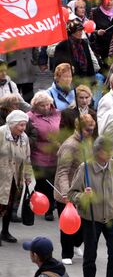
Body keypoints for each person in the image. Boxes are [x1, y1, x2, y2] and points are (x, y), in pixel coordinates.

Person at [68, 136, 113, 277]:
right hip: (91, 219)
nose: (111, 152)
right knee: (90, 256)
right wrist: (83, 197)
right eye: (107, 150)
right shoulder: (85, 168)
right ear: (98, 151)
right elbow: (71, 194)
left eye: (112, 149)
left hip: (112, 217)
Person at [54, 114, 95, 265]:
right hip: (67, 191)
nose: (91, 133)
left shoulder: (88, 142)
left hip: (83, 190)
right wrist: (66, 193)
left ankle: (76, 244)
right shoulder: (69, 145)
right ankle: (67, 253)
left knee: (84, 222)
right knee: (67, 223)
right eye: (88, 130)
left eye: (92, 130)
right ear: (79, 128)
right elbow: (62, 171)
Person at [27, 91, 61, 221]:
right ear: (35, 105)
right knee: (43, 183)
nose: (46, 107)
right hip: (38, 155)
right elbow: (29, 135)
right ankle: (46, 208)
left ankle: (48, 206)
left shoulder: (57, 114)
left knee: (52, 182)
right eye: (42, 105)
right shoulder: (30, 117)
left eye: (48, 105)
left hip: (56, 154)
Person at [0, 110, 32, 245]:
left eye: (24, 125)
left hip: (15, 176)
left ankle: (5, 232)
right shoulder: (1, 133)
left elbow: (27, 158)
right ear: (12, 124)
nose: (23, 128)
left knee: (9, 203)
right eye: (21, 125)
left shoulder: (24, 138)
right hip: (2, 175)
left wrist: (27, 175)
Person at [89, 0, 113, 66]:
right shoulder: (95, 13)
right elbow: (89, 29)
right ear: (101, 1)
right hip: (101, 47)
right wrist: (97, 32)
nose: (109, 2)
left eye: (111, 0)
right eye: (107, 0)